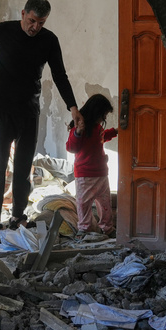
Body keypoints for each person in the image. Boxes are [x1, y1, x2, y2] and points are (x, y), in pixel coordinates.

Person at [0, 0, 84, 242]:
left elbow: (60, 75)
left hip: (29, 113)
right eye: (32, 20)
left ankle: (18, 215)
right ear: (23, 14)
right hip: (3, 111)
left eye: (41, 23)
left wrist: (73, 107)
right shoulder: (5, 31)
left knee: (24, 170)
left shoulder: (49, 40)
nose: (35, 27)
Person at [66, 93, 118, 237]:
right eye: (104, 115)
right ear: (96, 111)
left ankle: (107, 228)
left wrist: (115, 132)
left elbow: (101, 138)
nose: (104, 118)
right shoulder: (79, 127)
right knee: (84, 204)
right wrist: (77, 132)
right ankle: (84, 229)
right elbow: (71, 148)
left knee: (105, 204)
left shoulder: (97, 128)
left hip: (101, 174)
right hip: (84, 175)